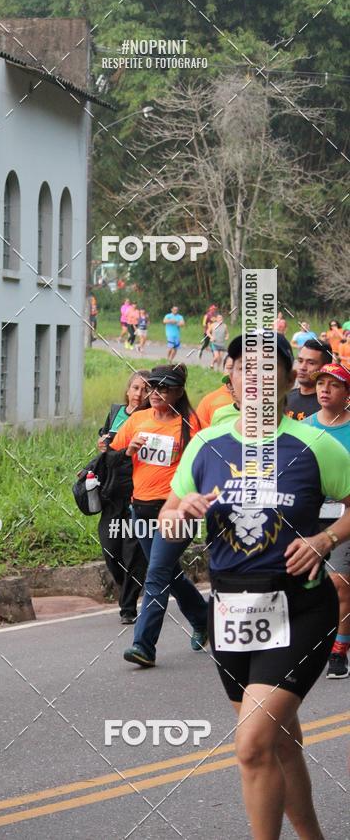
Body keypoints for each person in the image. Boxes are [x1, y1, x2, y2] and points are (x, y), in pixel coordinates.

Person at [160, 331, 350, 840]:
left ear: (291, 380)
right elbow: (167, 515)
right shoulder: (206, 445)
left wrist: (325, 538)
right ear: (232, 379)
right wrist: (182, 511)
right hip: (231, 614)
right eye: (245, 368)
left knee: (251, 746)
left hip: (301, 607)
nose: (257, 378)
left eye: (270, 370)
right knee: (280, 743)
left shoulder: (314, 445)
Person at [110, 364, 208, 667]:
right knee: (167, 573)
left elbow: (202, 469)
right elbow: (110, 456)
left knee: (156, 576)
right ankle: (204, 618)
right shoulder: (136, 420)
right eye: (152, 387)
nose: (154, 394)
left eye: (164, 388)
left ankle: (143, 645)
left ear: (178, 392)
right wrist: (128, 452)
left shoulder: (191, 424)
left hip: (176, 513)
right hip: (140, 509)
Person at [305, 363, 350, 679]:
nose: (324, 389)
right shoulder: (304, 428)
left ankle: (338, 650)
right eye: (321, 383)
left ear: (347, 394)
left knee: (339, 583)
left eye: (333, 385)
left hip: (346, 517)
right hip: (309, 516)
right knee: (308, 585)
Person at [97, 371, 152, 624]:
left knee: (134, 553)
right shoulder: (116, 413)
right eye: (135, 388)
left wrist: (121, 453)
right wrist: (94, 461)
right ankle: (128, 588)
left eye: (145, 390)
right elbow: (107, 452)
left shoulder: (152, 419)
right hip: (111, 493)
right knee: (111, 550)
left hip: (138, 494)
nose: (139, 394)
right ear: (128, 390)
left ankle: (128, 607)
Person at [285, 338, 333, 420]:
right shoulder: (286, 398)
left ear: (325, 367)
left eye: (311, 363)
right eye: (300, 361)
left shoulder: (333, 407)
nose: (302, 367)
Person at [196, 356, 234, 428]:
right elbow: (198, 430)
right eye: (230, 368)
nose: (234, 373)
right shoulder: (208, 400)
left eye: (240, 369)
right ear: (223, 370)